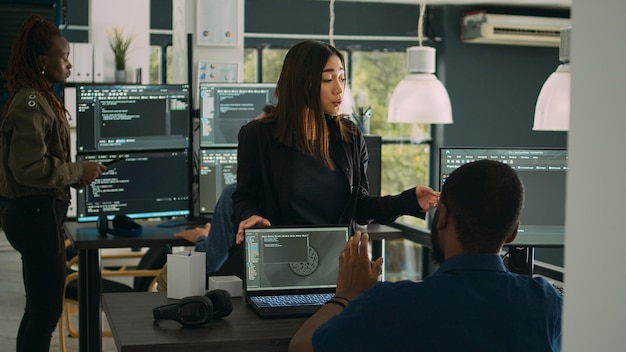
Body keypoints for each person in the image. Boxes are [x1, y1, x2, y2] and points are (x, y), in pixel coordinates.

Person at [197, 40, 439, 271]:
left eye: (342, 78)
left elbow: (361, 207)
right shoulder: (258, 136)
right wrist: (250, 216)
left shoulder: (351, 138)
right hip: (278, 263)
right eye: (327, 79)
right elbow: (243, 197)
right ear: (303, 83)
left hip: (336, 265)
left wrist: (408, 201)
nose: (339, 88)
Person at [289, 159, 563, 352]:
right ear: (513, 233)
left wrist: (346, 295)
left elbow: (302, 347)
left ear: (440, 220)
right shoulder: (548, 304)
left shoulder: (390, 304)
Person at [0, 15, 106, 352]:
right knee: (45, 313)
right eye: (63, 57)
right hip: (34, 215)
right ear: (42, 61)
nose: (69, 64)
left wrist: (78, 174)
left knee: (38, 311)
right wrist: (77, 171)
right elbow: (28, 168)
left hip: (39, 214)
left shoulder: (40, 97)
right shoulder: (31, 101)